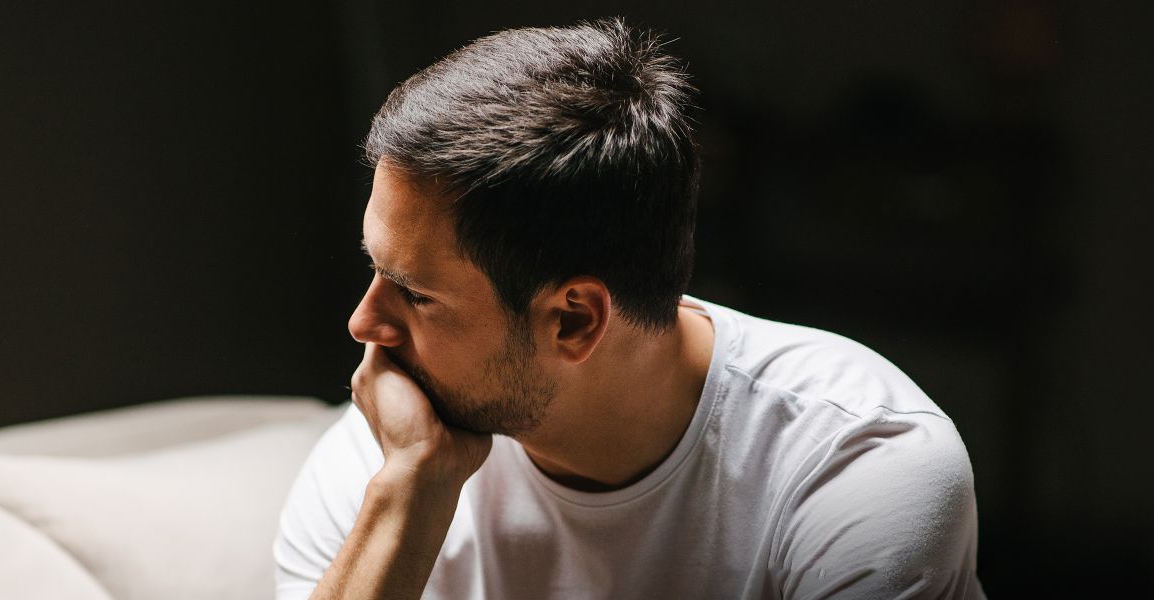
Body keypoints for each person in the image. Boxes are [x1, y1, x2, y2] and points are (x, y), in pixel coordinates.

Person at [273, 18, 985, 600]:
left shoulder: (857, 465)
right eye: (375, 269)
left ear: (575, 320)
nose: (364, 324)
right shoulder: (388, 458)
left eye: (416, 293)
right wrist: (408, 496)